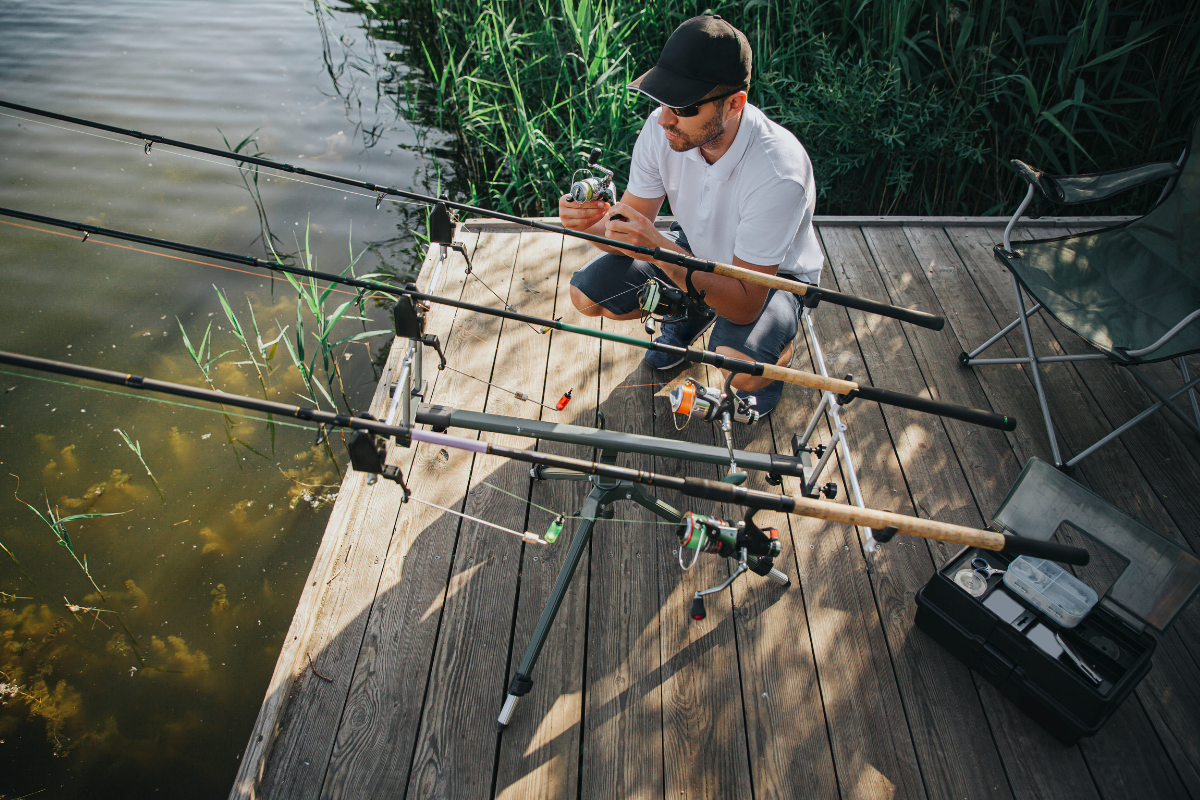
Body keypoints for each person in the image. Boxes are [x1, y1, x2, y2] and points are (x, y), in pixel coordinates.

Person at [560, 14, 823, 418]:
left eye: (682, 105)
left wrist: (657, 249)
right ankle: (695, 309)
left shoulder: (779, 174)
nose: (665, 118)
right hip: (691, 252)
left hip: (770, 282)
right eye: (663, 99)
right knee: (586, 295)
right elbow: (626, 228)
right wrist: (587, 224)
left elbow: (745, 304)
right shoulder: (663, 129)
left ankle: (774, 362)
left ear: (734, 104)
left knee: (737, 365)